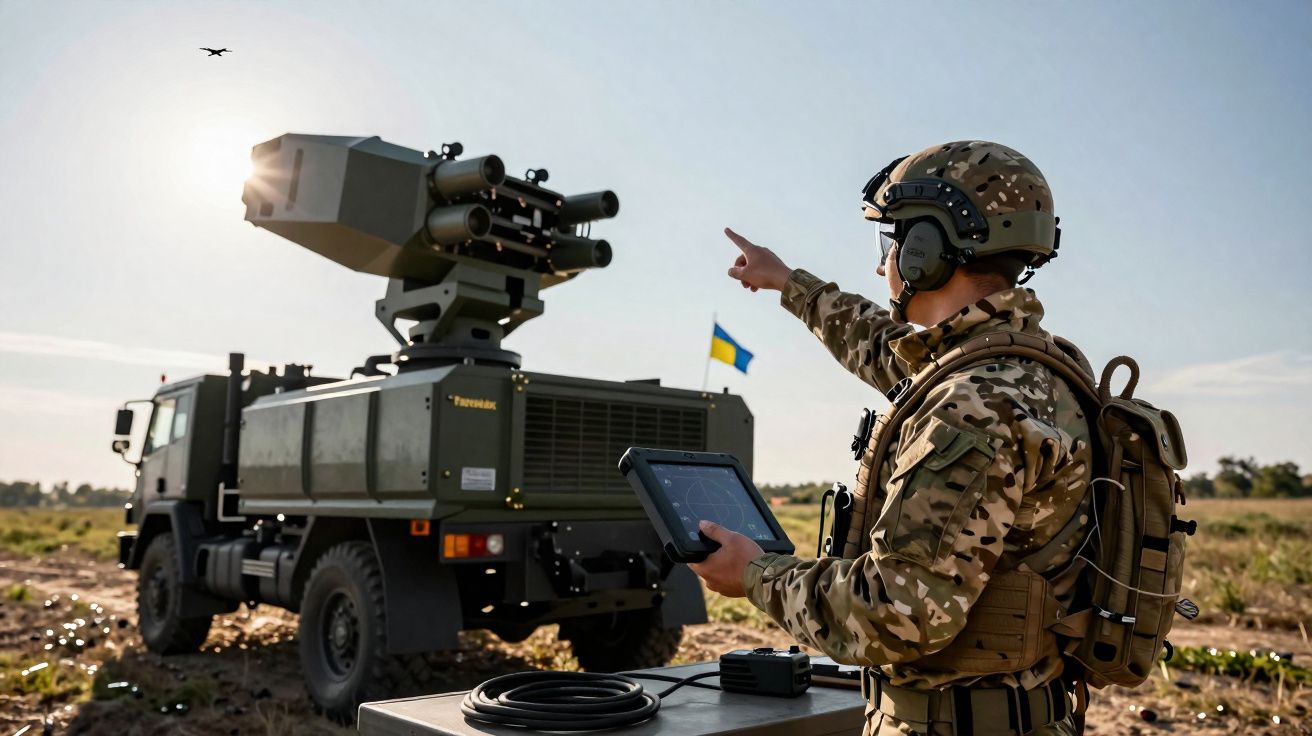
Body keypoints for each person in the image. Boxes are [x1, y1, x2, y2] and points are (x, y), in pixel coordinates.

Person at [689, 141, 1093, 735]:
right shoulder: (1036, 372)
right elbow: (883, 348)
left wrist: (756, 574)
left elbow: (896, 612)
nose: (883, 266)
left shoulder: (967, 406)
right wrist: (788, 283)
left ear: (927, 250)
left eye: (892, 242)